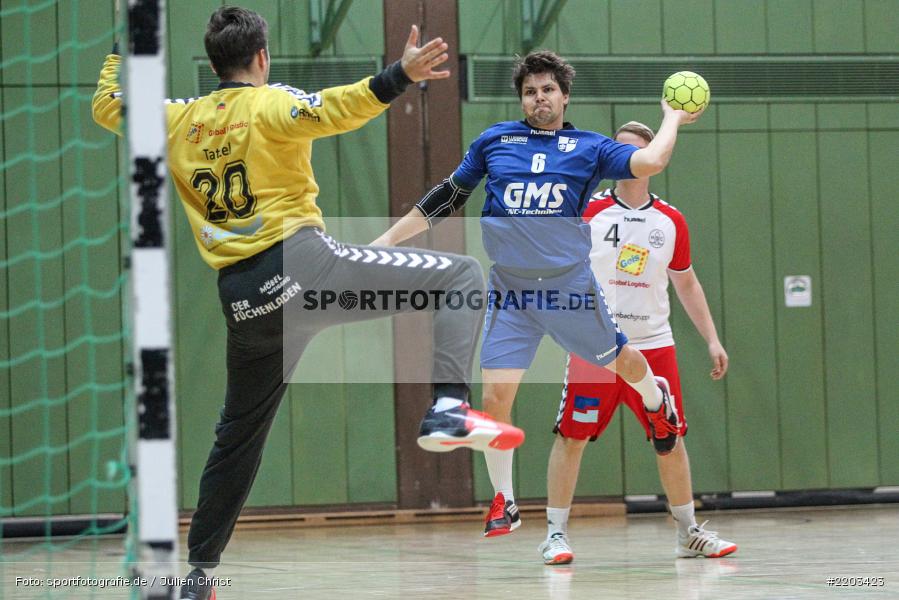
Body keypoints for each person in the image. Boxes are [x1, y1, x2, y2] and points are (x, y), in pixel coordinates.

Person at [93, 7, 523, 600]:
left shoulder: (177, 120)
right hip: (305, 271)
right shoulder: (268, 103)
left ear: (214, 63)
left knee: (237, 435)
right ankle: (448, 406)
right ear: (261, 59)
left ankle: (197, 577)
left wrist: (121, 46)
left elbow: (107, 105)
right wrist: (399, 74)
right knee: (462, 275)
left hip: (243, 300)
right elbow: (334, 107)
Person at [372, 51, 702, 537]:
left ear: (564, 96)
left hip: (569, 289)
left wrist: (671, 116)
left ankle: (658, 401)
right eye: (530, 91)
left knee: (629, 364)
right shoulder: (495, 141)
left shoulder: (589, 147)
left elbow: (652, 159)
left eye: (548, 89)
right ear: (522, 99)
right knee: (496, 396)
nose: (539, 98)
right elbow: (447, 196)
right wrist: (384, 242)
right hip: (511, 292)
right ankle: (504, 500)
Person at [538, 121, 737, 565]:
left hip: (654, 345)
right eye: (618, 150)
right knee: (572, 435)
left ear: (653, 158)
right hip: (597, 348)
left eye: (635, 150)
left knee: (670, 437)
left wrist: (712, 339)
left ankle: (688, 531)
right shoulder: (586, 211)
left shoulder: (670, 221)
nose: (626, 158)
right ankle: (555, 534)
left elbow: (686, 283)